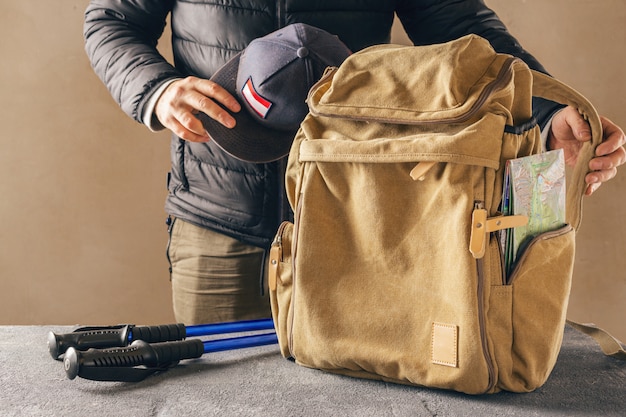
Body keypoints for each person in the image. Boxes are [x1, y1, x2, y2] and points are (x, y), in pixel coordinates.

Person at [83, 0, 625, 325]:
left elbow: (463, 27)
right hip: (216, 220)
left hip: (356, 218)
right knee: (216, 397)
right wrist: (156, 90)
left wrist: (549, 108)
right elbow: (109, 20)